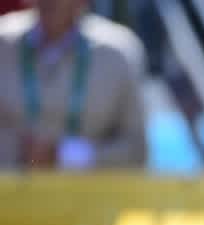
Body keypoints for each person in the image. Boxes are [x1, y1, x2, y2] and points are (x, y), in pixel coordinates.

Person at [0, 0, 147, 170]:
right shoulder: (3, 43)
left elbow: (137, 149)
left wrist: (65, 155)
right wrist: (17, 150)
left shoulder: (119, 52)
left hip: (90, 193)